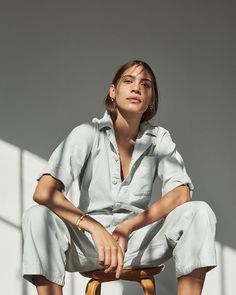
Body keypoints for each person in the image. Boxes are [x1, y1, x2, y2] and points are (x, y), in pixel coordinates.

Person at [22, 60, 217, 295]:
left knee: (199, 211)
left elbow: (181, 193)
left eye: (146, 84)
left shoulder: (159, 138)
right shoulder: (87, 133)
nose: (137, 88)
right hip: (90, 245)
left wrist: (128, 227)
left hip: (138, 244)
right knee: (37, 216)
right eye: (128, 81)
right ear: (113, 92)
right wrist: (94, 228)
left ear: (151, 100)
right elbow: (44, 192)